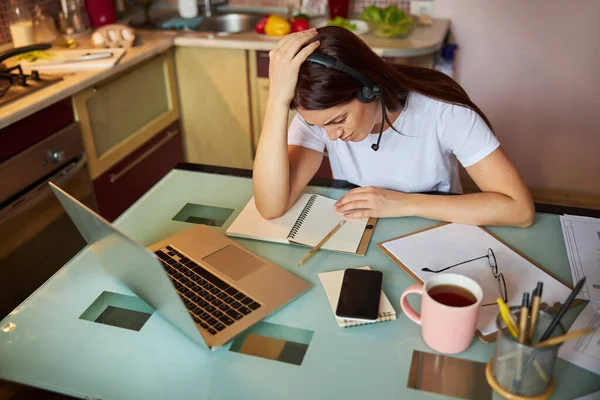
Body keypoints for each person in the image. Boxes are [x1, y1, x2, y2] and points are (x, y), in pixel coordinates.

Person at [253, 27, 534, 228]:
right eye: (321, 126)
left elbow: (519, 209)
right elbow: (271, 207)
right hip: (360, 228)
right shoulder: (319, 114)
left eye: (338, 121)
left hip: (438, 226)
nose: (332, 136)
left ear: (368, 88)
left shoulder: (442, 111)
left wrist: (404, 203)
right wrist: (277, 102)